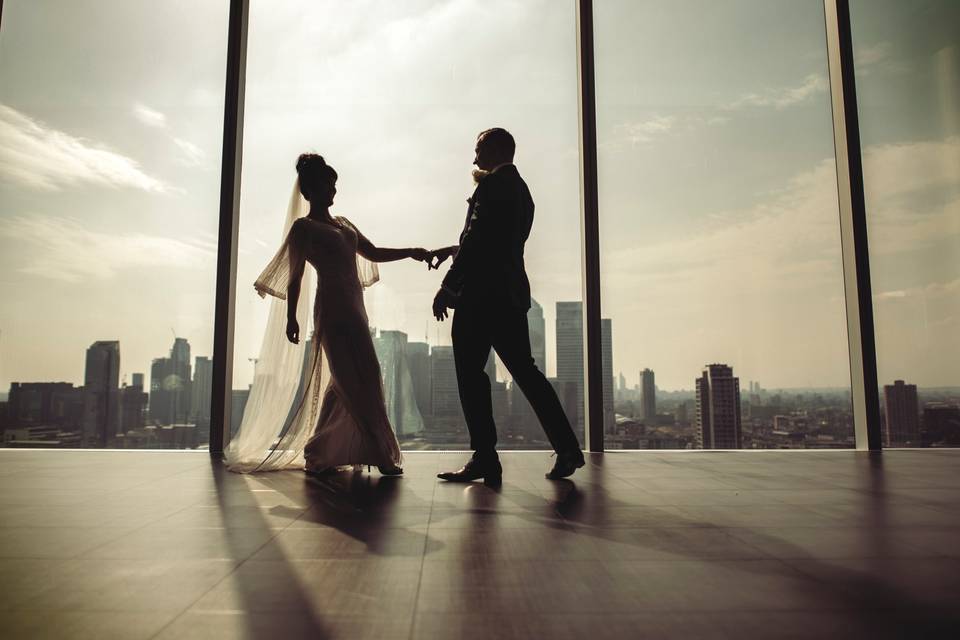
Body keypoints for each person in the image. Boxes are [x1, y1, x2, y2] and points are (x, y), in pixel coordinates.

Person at [225, 154, 430, 475]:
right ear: (309, 192)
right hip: (332, 310)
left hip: (355, 307)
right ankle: (379, 452)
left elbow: (372, 252)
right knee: (350, 378)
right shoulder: (303, 229)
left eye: (334, 183)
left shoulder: (344, 224)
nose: (333, 190)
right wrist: (292, 317)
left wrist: (412, 252)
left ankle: (320, 450)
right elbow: (294, 277)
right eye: (327, 184)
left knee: (359, 375)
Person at [430, 128, 585, 486]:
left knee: (470, 375)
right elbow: (498, 246)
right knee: (527, 373)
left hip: (481, 299)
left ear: (497, 149)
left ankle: (485, 458)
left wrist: (448, 285)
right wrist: (453, 252)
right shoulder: (522, 191)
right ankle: (568, 449)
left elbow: (477, 240)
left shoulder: (491, 187)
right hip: (510, 296)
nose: (474, 159)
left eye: (479, 150)